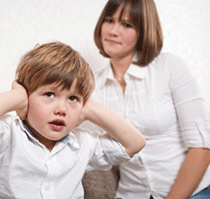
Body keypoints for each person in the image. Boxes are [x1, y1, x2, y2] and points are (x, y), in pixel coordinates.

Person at [0, 41, 145, 199]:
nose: (61, 110)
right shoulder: (8, 135)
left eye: (73, 98)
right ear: (27, 97)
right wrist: (17, 98)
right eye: (49, 94)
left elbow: (135, 143)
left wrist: (90, 109)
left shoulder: (83, 144)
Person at [87, 0, 210, 198]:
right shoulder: (93, 88)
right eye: (109, 20)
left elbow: (202, 147)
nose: (113, 31)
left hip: (192, 192)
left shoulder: (170, 67)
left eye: (127, 25)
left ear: (143, 31)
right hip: (131, 194)